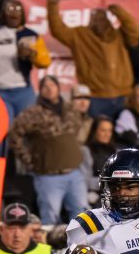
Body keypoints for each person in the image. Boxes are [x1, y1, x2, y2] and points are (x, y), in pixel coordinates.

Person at [47, 0, 139, 117]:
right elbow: (57, 30)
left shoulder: (119, 35)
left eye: (102, 18)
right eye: (94, 19)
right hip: (95, 97)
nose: (98, 22)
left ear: (108, 20)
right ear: (89, 21)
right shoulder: (80, 35)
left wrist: (120, 12)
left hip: (123, 96)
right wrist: (52, 5)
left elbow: (134, 33)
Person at [9, 76, 86, 225]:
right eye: (45, 86)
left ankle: (80, 247)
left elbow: (76, 131)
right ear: (41, 91)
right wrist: (29, 160)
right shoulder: (33, 113)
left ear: (58, 88)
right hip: (48, 176)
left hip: (75, 173)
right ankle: (49, 248)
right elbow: (14, 136)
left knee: (81, 216)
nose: (49, 89)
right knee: (50, 217)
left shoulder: (70, 109)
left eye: (53, 85)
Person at [0, 0, 51, 121]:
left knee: (28, 126)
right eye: (10, 9)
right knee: (2, 128)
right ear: (3, 12)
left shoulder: (30, 35)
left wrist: (32, 54)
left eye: (17, 10)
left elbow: (45, 61)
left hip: (22, 90)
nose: (14, 13)